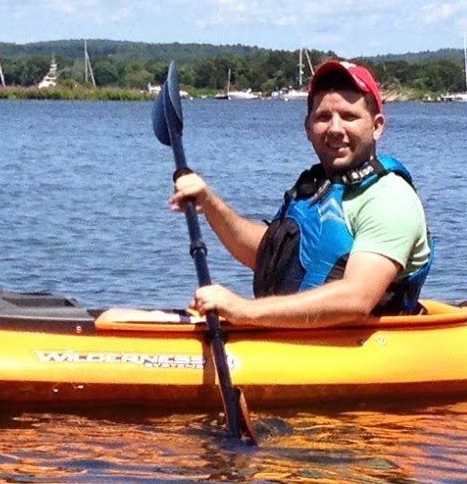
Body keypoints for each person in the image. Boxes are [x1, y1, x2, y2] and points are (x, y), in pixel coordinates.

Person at [170, 58, 432, 328]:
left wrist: (244, 310)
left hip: (358, 352)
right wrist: (210, 204)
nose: (335, 128)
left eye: (349, 116)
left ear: (376, 126)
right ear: (307, 128)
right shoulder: (315, 188)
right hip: (295, 340)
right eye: (323, 117)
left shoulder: (389, 198)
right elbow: (266, 255)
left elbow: (358, 297)